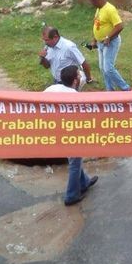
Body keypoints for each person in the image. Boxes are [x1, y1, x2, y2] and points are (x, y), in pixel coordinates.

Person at [44, 65, 98, 206]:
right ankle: (71, 195)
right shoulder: (75, 97)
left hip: (51, 130)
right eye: (79, 76)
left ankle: (84, 182)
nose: (81, 78)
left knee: (75, 160)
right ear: (75, 81)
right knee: (74, 162)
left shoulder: (51, 89)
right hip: (68, 133)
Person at [88, 0, 130, 91]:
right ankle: (110, 90)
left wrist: (108, 37)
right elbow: (96, 24)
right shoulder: (99, 8)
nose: (91, 3)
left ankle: (126, 88)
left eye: (93, 1)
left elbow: (119, 26)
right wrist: (94, 39)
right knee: (103, 68)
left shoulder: (110, 9)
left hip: (110, 43)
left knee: (108, 68)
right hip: (100, 43)